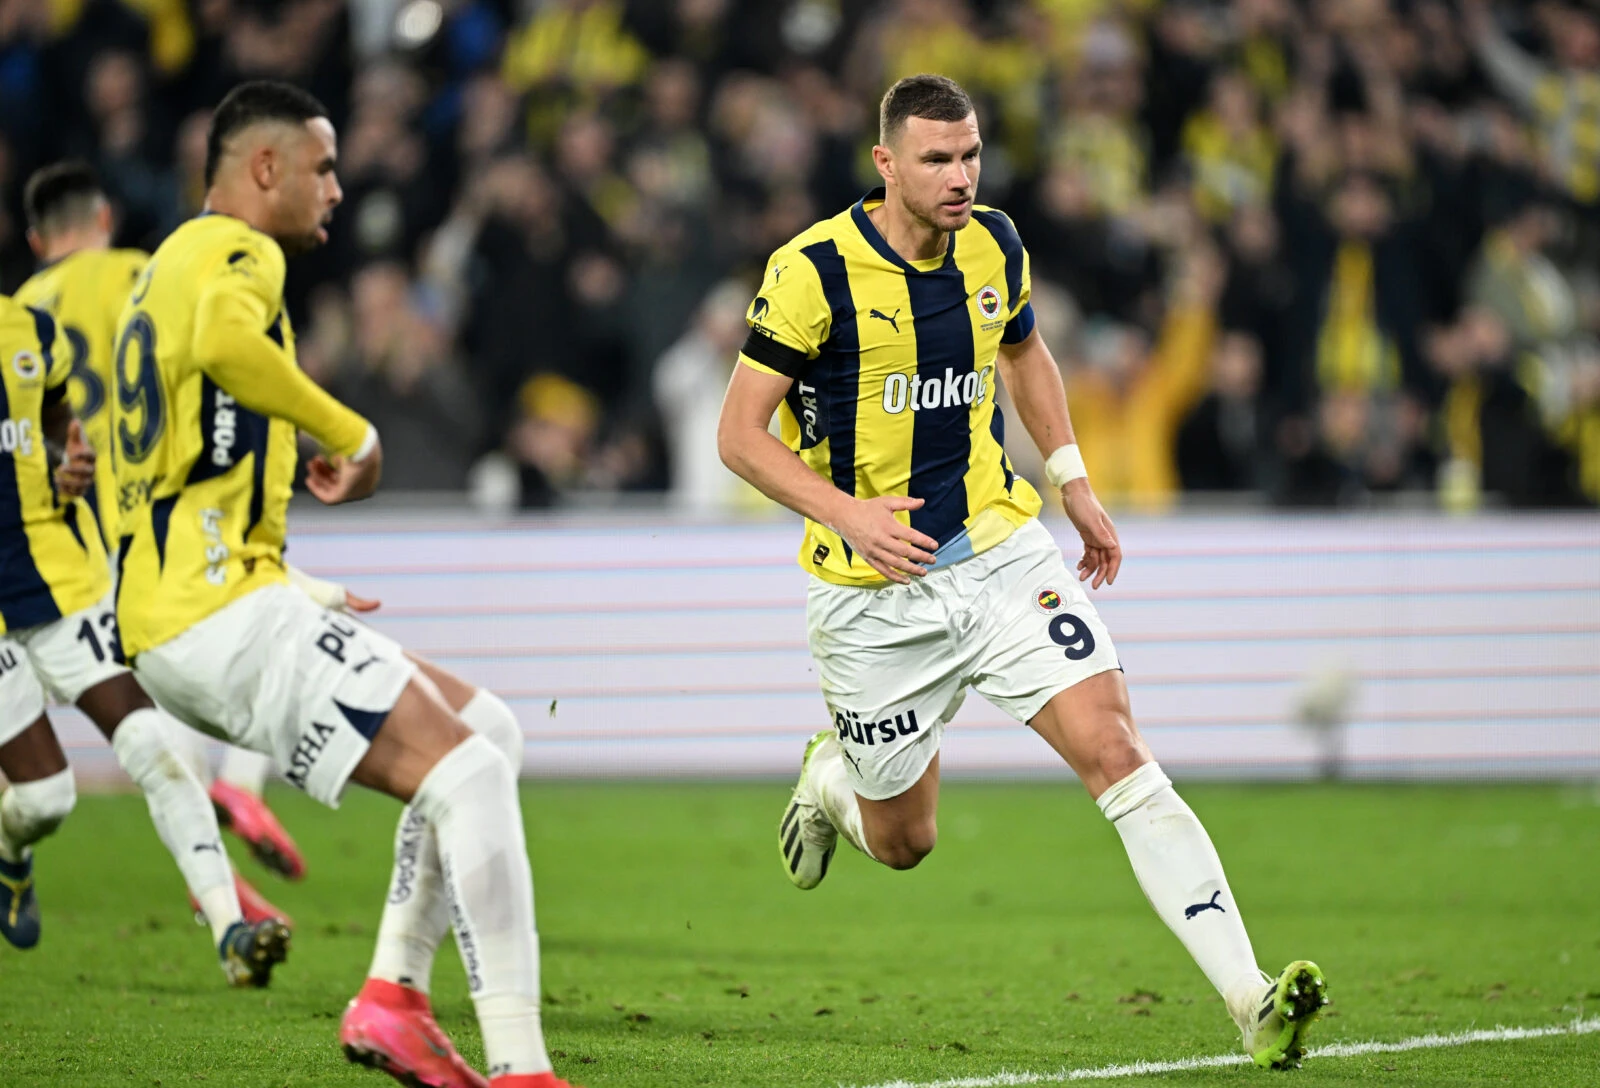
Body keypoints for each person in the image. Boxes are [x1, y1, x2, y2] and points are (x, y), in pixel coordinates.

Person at [716, 73, 1328, 1070]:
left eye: (969, 157)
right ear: (885, 165)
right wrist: (848, 515)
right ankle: (828, 781)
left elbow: (1025, 352)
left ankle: (1251, 998)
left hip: (1002, 553)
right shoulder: (812, 271)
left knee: (1117, 747)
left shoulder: (994, 241)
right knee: (907, 840)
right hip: (872, 597)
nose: (960, 177)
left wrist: (1072, 477)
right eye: (935, 160)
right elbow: (738, 435)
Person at [109, 81, 573, 1088]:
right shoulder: (241, 251)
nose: (336, 185)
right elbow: (234, 348)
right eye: (320, 166)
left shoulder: (161, 275)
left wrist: (289, 572)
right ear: (262, 168)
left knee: (490, 729)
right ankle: (523, 1067)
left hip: (184, 608)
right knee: (473, 776)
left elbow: (148, 474)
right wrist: (348, 430)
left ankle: (396, 997)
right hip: (215, 614)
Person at [13, 160, 296, 925]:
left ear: (39, 239)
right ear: (104, 219)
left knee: (146, 702)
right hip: (163, 508)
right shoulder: (147, 271)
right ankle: (239, 786)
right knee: (245, 625)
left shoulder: (24, 310)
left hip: (71, 537)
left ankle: (211, 871)